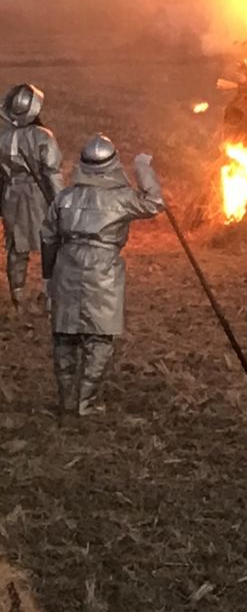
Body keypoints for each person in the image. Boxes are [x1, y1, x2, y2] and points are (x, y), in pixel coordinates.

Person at [41, 137, 162, 416]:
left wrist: (48, 276)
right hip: (103, 269)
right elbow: (155, 202)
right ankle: (85, 402)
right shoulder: (121, 198)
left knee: (65, 335)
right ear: (113, 163)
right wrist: (142, 167)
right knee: (100, 337)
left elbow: (48, 237)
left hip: (67, 266)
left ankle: (67, 401)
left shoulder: (65, 197)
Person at [0, 83, 65, 309]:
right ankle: (48, 295)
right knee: (51, 242)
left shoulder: (3, 138)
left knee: (16, 247)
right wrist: (61, 203)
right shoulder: (43, 136)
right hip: (38, 196)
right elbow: (52, 173)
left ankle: (17, 296)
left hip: (11, 196)